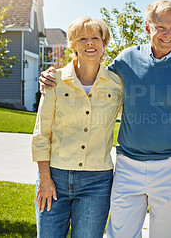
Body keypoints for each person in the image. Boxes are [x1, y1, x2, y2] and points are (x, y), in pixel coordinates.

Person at [40, 0, 171, 238]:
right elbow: (93, 75)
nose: (168, 34)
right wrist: (54, 76)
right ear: (147, 28)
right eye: (161, 27)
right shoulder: (127, 59)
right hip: (128, 166)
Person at [32, 16, 123, 237]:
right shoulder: (55, 80)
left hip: (97, 183)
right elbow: (41, 134)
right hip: (54, 178)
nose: (90, 43)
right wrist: (44, 178)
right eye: (82, 38)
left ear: (104, 44)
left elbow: (140, 113)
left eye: (95, 38)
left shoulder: (117, 84)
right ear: (73, 44)